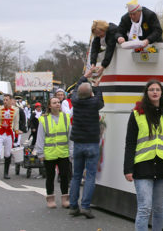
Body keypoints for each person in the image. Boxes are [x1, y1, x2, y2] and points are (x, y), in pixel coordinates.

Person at [124, 80, 163, 231]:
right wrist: (128, 168)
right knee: (144, 208)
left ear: (162, 93)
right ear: (146, 93)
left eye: (157, 89)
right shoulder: (137, 114)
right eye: (151, 89)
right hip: (143, 166)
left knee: (159, 209)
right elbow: (130, 143)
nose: (155, 92)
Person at [68, 69, 104, 219]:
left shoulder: (75, 102)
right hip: (92, 144)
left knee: (76, 176)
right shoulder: (95, 103)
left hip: (78, 144)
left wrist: (84, 76)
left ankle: (73, 206)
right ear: (91, 94)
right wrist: (97, 85)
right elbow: (100, 99)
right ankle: (86, 206)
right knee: (90, 176)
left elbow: (76, 89)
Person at [36, 97, 72, 209]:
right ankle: (50, 199)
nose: (57, 104)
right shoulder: (44, 119)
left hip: (63, 152)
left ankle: (65, 199)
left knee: (65, 176)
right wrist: (40, 153)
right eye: (54, 102)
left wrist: (71, 151)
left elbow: (70, 137)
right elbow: (40, 137)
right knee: (50, 177)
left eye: (58, 102)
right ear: (49, 106)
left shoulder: (66, 117)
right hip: (49, 153)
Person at [0, 93, 19, 180]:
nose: (5, 101)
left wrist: (16, 134)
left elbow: (16, 123)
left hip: (9, 134)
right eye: (4, 100)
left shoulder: (16, 110)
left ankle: (6, 173)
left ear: (11, 101)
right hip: (0, 132)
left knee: (7, 153)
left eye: (7, 100)